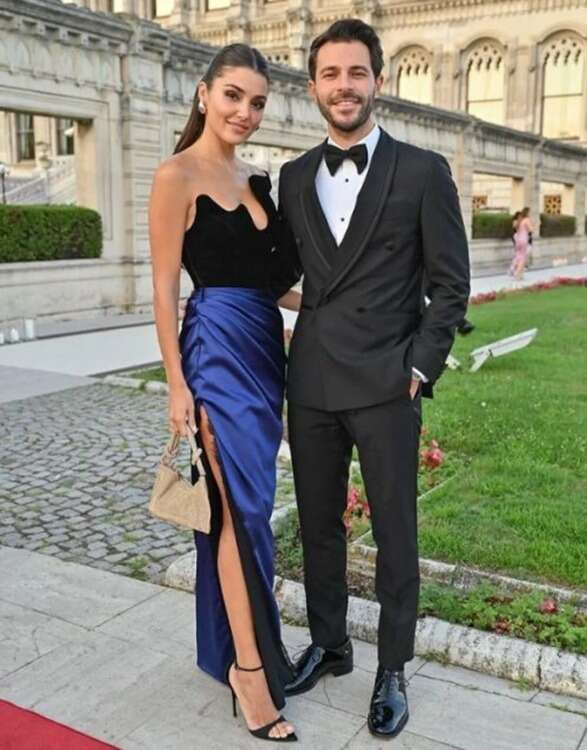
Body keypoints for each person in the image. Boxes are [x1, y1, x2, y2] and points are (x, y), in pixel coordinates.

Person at [276, 20, 470, 740]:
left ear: (378, 82)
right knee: (318, 526)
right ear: (313, 87)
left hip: (389, 384)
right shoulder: (294, 176)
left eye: (356, 72)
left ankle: (392, 666)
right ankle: (330, 644)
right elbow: (287, 275)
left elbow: (451, 285)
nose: (344, 86)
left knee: (394, 532)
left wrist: (418, 368)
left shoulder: (422, 171)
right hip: (312, 383)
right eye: (330, 74)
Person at [148, 43, 302, 743]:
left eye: (257, 101)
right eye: (234, 95)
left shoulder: (258, 181)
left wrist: (352, 308)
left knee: (251, 507)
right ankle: (249, 670)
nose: (245, 111)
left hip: (264, 349)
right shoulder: (175, 175)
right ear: (204, 93)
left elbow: (277, 285)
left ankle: (237, 647)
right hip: (213, 350)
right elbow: (162, 291)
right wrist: (177, 384)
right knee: (238, 512)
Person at [510, 207, 532, 280]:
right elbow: (530, 229)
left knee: (518, 255)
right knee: (523, 258)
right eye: (530, 212)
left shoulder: (519, 221)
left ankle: (516, 271)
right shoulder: (526, 220)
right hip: (524, 239)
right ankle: (517, 273)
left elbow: (515, 228)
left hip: (518, 240)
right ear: (527, 213)